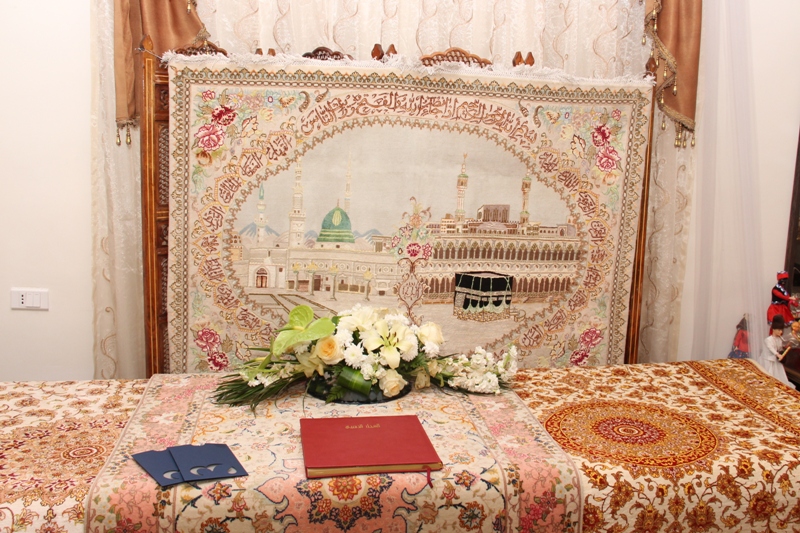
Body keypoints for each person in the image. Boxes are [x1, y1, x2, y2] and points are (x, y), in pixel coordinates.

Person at [759, 315, 793, 387]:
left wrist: (786, 347)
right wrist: (778, 355)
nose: (781, 332)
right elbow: (772, 349)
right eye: (779, 330)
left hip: (775, 360)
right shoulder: (768, 340)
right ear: (774, 329)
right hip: (767, 360)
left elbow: (780, 348)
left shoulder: (779, 339)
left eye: (781, 330)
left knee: (779, 378)